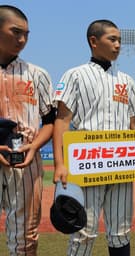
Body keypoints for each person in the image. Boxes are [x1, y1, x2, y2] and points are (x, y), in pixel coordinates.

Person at [53, 19, 135, 256]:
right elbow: (61, 120)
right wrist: (60, 164)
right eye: (112, 39)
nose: (118, 45)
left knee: (121, 232)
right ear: (93, 41)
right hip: (87, 164)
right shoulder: (75, 75)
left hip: (122, 165)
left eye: (120, 40)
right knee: (83, 232)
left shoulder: (127, 81)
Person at [0, 5, 55, 255]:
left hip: (26, 160)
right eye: (15, 32)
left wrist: (35, 146)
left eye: (26, 34)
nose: (22, 39)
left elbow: (50, 121)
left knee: (26, 236)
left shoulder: (38, 74)